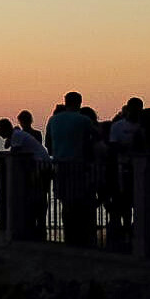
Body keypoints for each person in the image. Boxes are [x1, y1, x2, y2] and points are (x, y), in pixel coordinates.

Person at [45, 92, 100, 246]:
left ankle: (69, 235)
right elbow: (97, 136)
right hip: (78, 166)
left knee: (65, 202)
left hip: (59, 166)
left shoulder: (53, 120)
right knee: (79, 201)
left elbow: (48, 144)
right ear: (80, 103)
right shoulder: (84, 120)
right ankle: (80, 237)